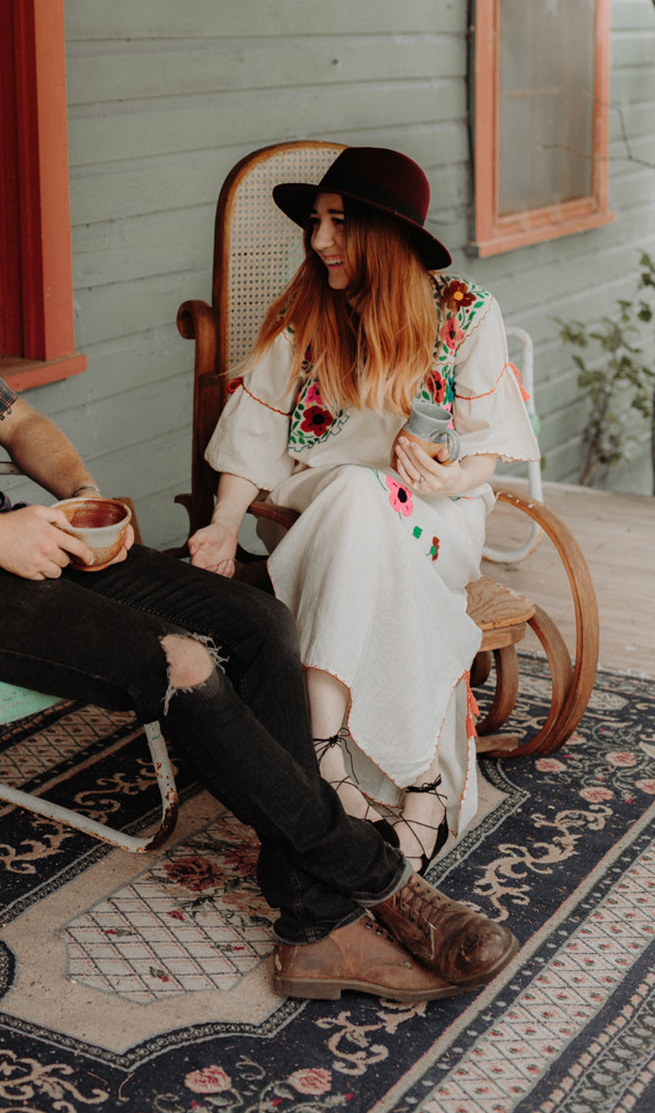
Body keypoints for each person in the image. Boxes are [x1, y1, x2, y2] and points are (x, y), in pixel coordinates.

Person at [0, 111, 519, 1003]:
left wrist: (79, 493)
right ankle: (383, 886)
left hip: (23, 540)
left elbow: (16, 420)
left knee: (258, 621)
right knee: (178, 662)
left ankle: (314, 927)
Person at [189, 146, 540, 873]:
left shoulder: (464, 315)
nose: (319, 241)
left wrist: (445, 480)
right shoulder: (306, 315)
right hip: (315, 512)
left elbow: (485, 448)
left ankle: (325, 761)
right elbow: (253, 435)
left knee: (368, 502)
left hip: (436, 519)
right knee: (353, 489)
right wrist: (223, 525)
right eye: (316, 222)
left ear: (384, 232)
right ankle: (420, 781)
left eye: (339, 223)